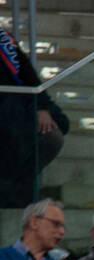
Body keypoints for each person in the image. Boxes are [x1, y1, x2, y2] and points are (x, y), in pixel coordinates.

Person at [0, 24, 70, 208]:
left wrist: (41, 108)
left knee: (51, 134)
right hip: (9, 117)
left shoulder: (3, 40)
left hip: (17, 112)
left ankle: (18, 195)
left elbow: (29, 77)